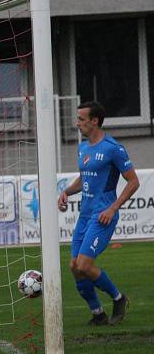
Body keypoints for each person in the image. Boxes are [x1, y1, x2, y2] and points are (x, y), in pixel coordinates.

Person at [58, 101, 139, 326]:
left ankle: (119, 298)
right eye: (78, 119)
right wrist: (66, 191)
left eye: (82, 119)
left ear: (95, 121)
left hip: (103, 214)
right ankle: (98, 313)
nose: (77, 124)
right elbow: (85, 178)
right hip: (85, 215)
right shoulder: (83, 147)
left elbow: (133, 182)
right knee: (75, 267)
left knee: (84, 265)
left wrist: (113, 208)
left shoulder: (113, 148)